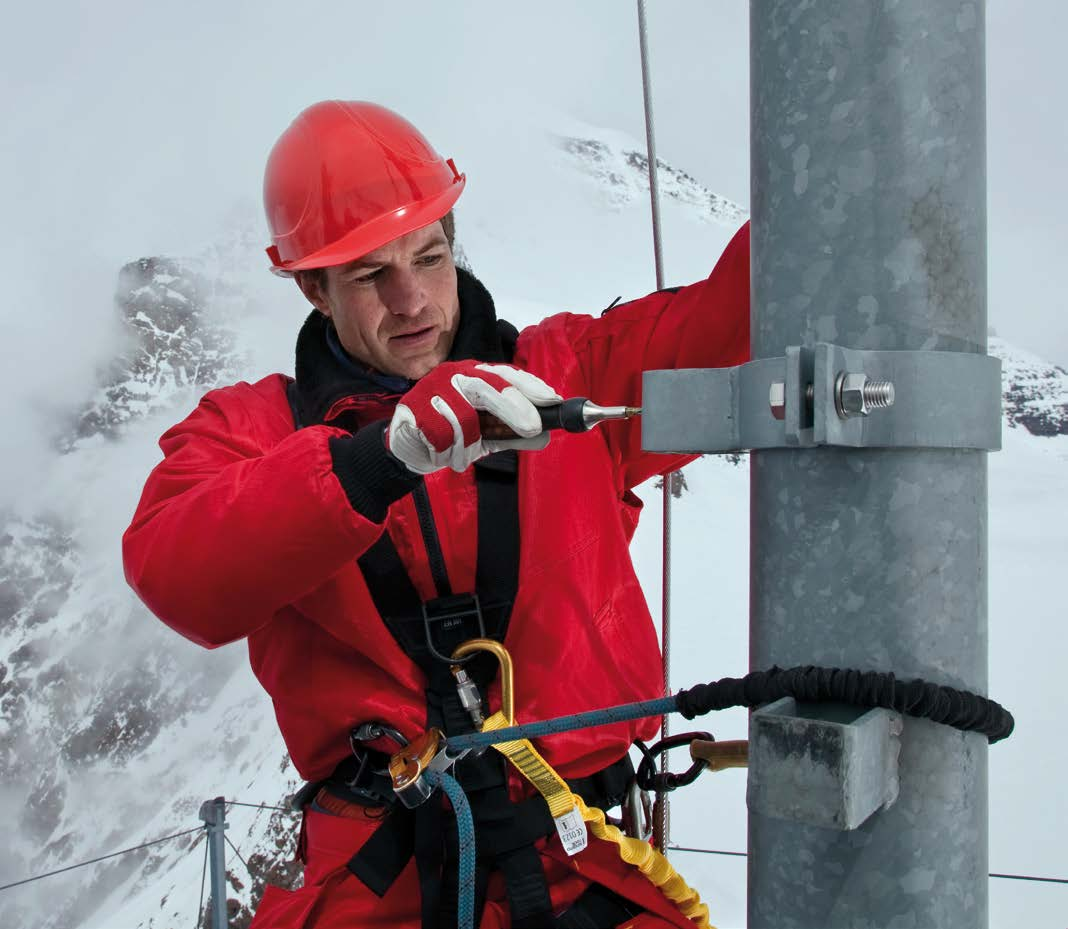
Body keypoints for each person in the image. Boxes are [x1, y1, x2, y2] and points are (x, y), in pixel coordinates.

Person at [123, 100, 750, 929]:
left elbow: (732, 322)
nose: (413, 299)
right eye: (370, 274)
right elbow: (177, 570)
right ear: (313, 287)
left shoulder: (567, 373)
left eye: (429, 255)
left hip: (591, 860)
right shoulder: (256, 431)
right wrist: (375, 459)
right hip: (385, 889)